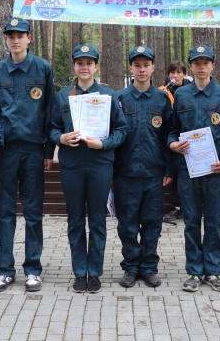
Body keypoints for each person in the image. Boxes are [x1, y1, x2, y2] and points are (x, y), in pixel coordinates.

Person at [0, 17, 54, 293]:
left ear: (29, 38)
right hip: (6, 152)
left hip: (34, 151)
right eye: (10, 35)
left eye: (20, 35)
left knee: (33, 212)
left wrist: (49, 150)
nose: (15, 40)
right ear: (6, 39)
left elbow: (49, 112)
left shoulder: (43, 68)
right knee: (4, 212)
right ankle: (5, 270)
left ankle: (33, 270)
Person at [50, 44, 127, 293]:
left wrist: (103, 143)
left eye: (89, 62)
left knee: (97, 220)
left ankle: (94, 272)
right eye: (79, 62)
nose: (84, 67)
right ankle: (78, 272)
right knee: (75, 220)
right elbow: (50, 127)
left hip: (99, 164)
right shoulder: (62, 96)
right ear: (74, 66)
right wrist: (60, 139)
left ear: (96, 66)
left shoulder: (108, 96)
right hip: (71, 165)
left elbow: (121, 130)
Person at [168, 45, 220, 292]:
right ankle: (194, 272)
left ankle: (214, 271)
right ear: (191, 66)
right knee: (190, 221)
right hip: (187, 170)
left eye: (205, 62)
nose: (201, 66)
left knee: (213, 221)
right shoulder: (181, 95)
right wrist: (173, 144)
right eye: (196, 62)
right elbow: (171, 129)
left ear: (212, 65)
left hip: (214, 170)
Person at [114, 46, 172, 288]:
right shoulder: (119, 99)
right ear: (130, 68)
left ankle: (148, 267)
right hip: (125, 173)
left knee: (152, 223)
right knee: (127, 224)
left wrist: (169, 169)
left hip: (153, 173)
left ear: (153, 68)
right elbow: (111, 135)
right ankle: (130, 267)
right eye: (137, 65)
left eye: (146, 65)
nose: (141, 69)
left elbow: (169, 135)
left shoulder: (162, 99)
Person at [159, 60, 191, 223]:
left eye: (179, 72)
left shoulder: (189, 91)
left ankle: (183, 207)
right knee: (170, 171)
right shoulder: (163, 91)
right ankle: (174, 207)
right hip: (168, 137)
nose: (175, 76)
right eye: (172, 72)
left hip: (185, 136)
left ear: (184, 74)